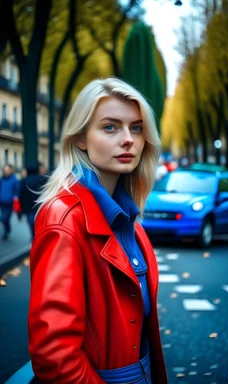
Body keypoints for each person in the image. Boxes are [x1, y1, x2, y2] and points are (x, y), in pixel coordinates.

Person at [28, 77, 168, 384]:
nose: (128, 139)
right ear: (81, 137)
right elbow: (54, 354)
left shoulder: (130, 219)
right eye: (110, 127)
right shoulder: (63, 218)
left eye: (136, 127)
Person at [19, 165, 46, 239]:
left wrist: (21, 206)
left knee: (31, 221)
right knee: (39, 221)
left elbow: (20, 194)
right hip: (39, 205)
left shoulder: (24, 180)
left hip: (28, 206)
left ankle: (33, 236)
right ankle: (38, 235)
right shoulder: (42, 179)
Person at [0, 164, 20, 240]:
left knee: (6, 218)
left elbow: (17, 190)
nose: (6, 171)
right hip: (2, 202)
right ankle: (6, 230)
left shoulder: (14, 180)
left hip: (10, 203)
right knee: (4, 218)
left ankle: (7, 230)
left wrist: (15, 197)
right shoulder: (1, 180)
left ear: (11, 170)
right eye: (5, 170)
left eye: (8, 170)